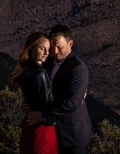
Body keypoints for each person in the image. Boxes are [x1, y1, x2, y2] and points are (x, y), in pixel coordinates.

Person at [27, 24, 92, 154]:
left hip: (74, 136)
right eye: (52, 47)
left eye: (59, 47)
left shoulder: (78, 68)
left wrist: (43, 117)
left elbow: (71, 103)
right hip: (53, 134)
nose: (55, 51)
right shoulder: (48, 63)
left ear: (70, 44)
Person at [12, 31, 59, 154]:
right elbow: (50, 104)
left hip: (30, 125)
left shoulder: (24, 69)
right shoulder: (40, 73)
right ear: (32, 48)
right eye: (42, 48)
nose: (46, 53)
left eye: (48, 49)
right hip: (42, 128)